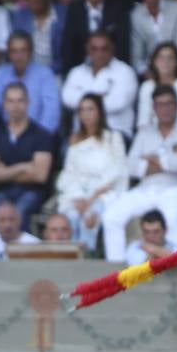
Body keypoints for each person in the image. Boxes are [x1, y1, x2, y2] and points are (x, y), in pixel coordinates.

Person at [101, 84, 177, 261]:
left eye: (169, 103)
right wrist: (167, 162)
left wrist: (152, 160)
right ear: (154, 108)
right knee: (111, 216)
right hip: (146, 188)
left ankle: (176, 268)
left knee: (172, 218)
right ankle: (116, 272)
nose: (165, 109)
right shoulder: (145, 132)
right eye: (160, 104)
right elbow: (131, 165)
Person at [55, 92, 128, 250]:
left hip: (104, 194)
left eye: (90, 109)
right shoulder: (75, 139)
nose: (86, 114)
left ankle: (88, 262)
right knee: (71, 217)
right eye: (82, 110)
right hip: (78, 193)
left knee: (89, 218)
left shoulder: (113, 138)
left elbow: (116, 171)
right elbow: (70, 173)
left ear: (100, 112)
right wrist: (79, 197)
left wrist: (91, 199)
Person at [0, 82, 55, 227]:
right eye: (11, 101)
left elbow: (40, 175)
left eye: (20, 100)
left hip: (32, 192)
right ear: (4, 104)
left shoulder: (42, 135)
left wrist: (3, 171)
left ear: (28, 103)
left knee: (18, 213)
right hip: (2, 191)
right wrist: (23, 167)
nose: (15, 106)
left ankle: (21, 250)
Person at [0, 31, 60, 137]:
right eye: (14, 51)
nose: (18, 56)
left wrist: (39, 139)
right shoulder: (1, 73)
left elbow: (51, 113)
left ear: (30, 52)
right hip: (8, 136)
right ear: (9, 54)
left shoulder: (45, 74)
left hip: (38, 135)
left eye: (23, 50)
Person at [62, 30, 138, 140]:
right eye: (94, 49)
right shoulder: (76, 72)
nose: (99, 54)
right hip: (81, 134)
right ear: (87, 49)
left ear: (112, 49)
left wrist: (84, 100)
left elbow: (117, 103)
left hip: (115, 134)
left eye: (104, 49)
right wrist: (101, 97)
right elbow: (67, 99)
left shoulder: (125, 72)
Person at [60, 0, 130, 73]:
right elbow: (69, 44)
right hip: (82, 68)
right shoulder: (75, 8)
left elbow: (122, 45)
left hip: (112, 67)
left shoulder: (117, 9)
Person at [11, 0, 66, 74]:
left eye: (37, 1)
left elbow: (68, 54)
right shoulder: (20, 17)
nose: (33, 6)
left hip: (56, 72)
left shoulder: (64, 16)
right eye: (29, 1)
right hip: (27, 72)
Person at [136, 41, 177, 130]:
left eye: (170, 58)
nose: (165, 61)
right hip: (152, 138)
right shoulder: (147, 87)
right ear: (154, 62)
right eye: (161, 58)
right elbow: (143, 123)